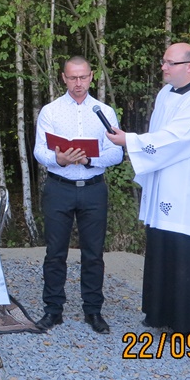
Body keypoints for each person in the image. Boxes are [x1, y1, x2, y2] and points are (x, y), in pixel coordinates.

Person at [108, 43, 190, 333]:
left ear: (189, 67)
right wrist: (136, 141)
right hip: (165, 186)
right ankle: (162, 314)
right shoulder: (166, 93)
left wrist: (130, 140)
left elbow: (177, 138)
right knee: (164, 248)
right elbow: (161, 136)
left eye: (170, 63)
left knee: (187, 253)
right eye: (163, 61)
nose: (163, 67)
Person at [33, 56, 123, 334]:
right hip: (59, 187)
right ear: (63, 78)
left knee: (93, 253)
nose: (78, 83)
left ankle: (93, 311)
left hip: (93, 188)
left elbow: (117, 153)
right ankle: (53, 310)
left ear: (92, 76)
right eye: (72, 77)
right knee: (55, 252)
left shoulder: (104, 111)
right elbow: (39, 150)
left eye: (83, 77)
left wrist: (88, 160)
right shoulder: (51, 111)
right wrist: (58, 159)